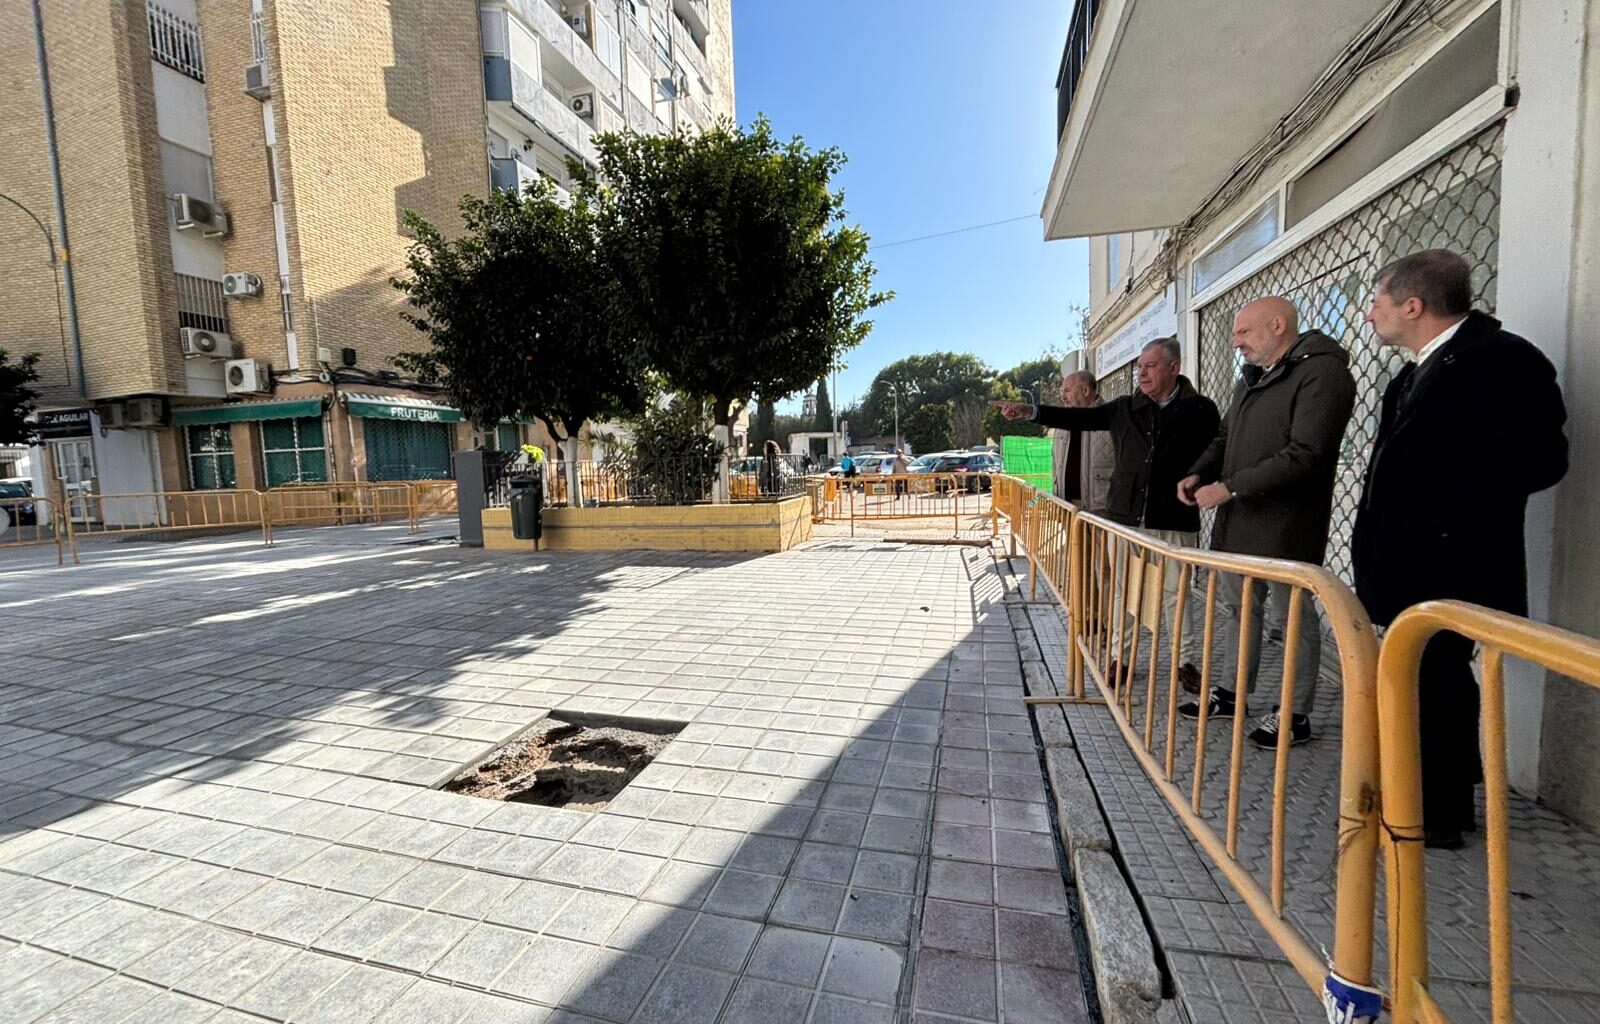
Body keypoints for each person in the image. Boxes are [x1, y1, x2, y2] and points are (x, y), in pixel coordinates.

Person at [1352, 249, 1567, 849]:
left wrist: (1444, 516)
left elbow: (1542, 460)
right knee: (1418, 680)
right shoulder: (1410, 373)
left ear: (1413, 305)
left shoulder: (1505, 362)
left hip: (1455, 565)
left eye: (1377, 302)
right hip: (1405, 567)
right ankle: (1418, 796)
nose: (1370, 316)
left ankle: (1439, 813)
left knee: (1441, 681)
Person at [1176, 297, 1356, 747]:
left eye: (1243, 332)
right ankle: (1235, 693)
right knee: (1239, 611)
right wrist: (1201, 471)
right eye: (1235, 334)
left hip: (1285, 526)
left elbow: (1306, 454)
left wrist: (1230, 487)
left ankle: (1294, 713)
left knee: (1291, 618)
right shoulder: (1253, 378)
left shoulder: (1321, 373)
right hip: (1239, 523)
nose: (1235, 342)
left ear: (1278, 326)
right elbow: (1225, 437)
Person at [995, 338, 1221, 686]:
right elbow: (1078, 418)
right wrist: (1031, 412)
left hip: (1175, 515)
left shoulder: (1200, 410)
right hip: (1126, 517)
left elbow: (1215, 455)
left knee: (1177, 592)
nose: (1142, 373)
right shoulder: (1125, 409)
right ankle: (1121, 659)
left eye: (1151, 366)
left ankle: (1185, 661)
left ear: (1174, 368)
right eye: (1139, 367)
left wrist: (1202, 480)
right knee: (1123, 593)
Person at [1051, 369, 1115, 514]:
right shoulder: (1062, 424)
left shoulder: (1112, 418)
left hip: (1102, 509)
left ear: (1085, 390)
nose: (1063, 397)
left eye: (1067, 391)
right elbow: (1055, 464)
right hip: (1067, 507)